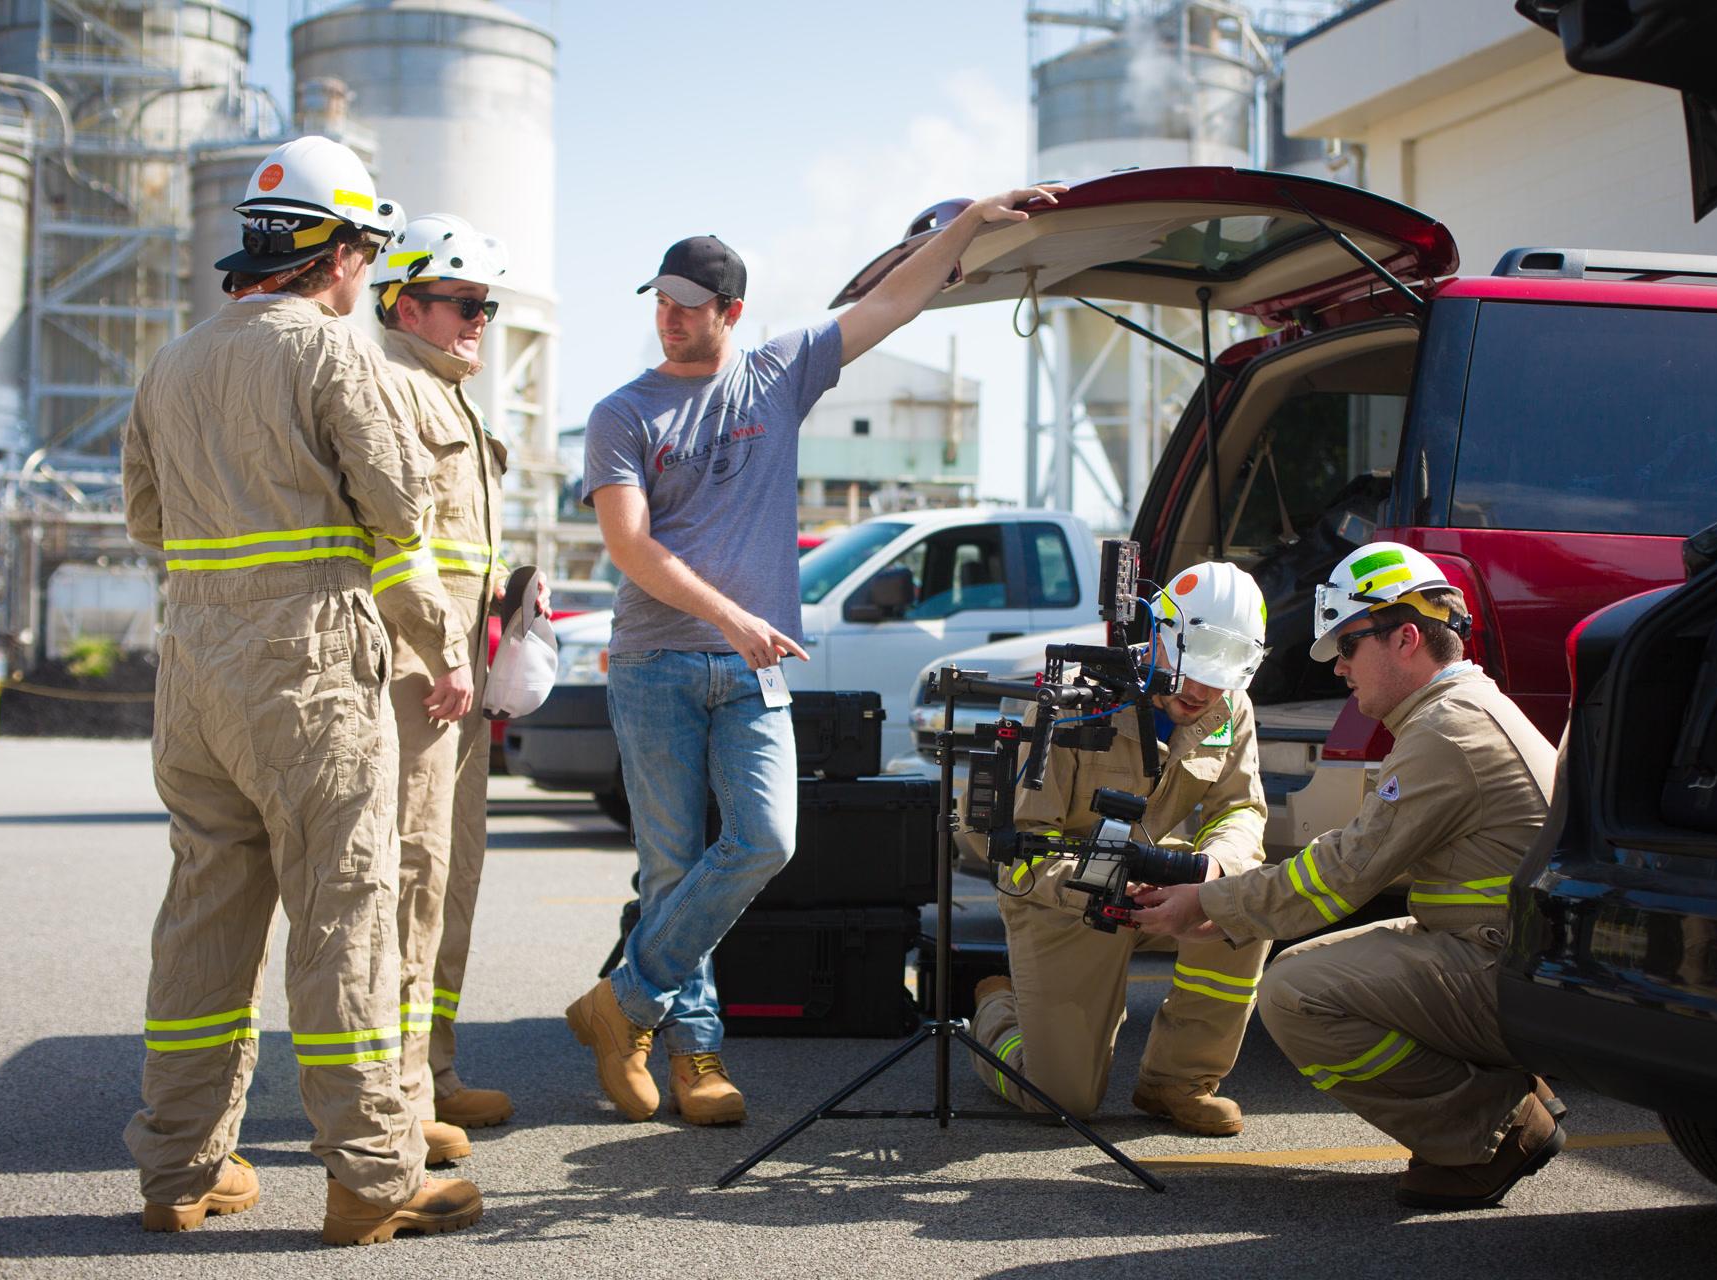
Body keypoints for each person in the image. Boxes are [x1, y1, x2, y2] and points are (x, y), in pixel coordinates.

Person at [567, 184, 1065, 1126]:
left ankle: (621, 1004)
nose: (669, 319)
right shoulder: (620, 413)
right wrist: (732, 618)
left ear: (731, 313)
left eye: (687, 304)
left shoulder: (778, 372)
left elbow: (892, 302)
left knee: (766, 840)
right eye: (659, 303)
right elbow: (630, 548)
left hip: (750, 669)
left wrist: (966, 227)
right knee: (671, 870)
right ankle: (696, 1058)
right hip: (655, 664)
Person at [119, 136, 481, 1246]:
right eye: (367, 253)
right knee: (347, 917)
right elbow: (397, 519)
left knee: (204, 922)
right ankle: (373, 1175)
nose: (367, 275)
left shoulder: (172, 363)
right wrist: (445, 647)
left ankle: (180, 1169)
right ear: (334, 253)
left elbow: (146, 520)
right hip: (313, 676)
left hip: (195, 679)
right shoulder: (335, 357)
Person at [1132, 542, 1562, 1211]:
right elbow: (1347, 855)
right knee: (1325, 964)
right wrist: (1229, 900)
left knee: (1299, 993)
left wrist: (1205, 903)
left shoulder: (1448, 732)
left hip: (1499, 967)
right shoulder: (1461, 712)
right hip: (1503, 954)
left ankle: (1489, 1131)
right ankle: (1500, 1103)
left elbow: (1339, 875)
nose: (1338, 666)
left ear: (1407, 638)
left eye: (1349, 644)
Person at [969, 562, 1272, 1134]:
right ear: (1158, 633)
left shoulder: (1228, 705)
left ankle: (1178, 1082)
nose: (1204, 689)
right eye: (1193, 669)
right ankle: (995, 1012)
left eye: (1221, 674)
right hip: (1061, 893)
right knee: (1060, 1100)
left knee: (1248, 906)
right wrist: (1103, 882)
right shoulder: (1075, 698)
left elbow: (1240, 808)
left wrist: (1213, 869)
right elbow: (1019, 849)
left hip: (1154, 873)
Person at [371, 213, 540, 1154]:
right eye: (464, 302)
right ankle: (398, 1097)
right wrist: (439, 652)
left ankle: (431, 1066)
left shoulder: (454, 398)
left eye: (487, 304)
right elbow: (391, 546)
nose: (481, 319)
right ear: (404, 302)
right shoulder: (390, 389)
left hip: (458, 681)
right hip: (414, 680)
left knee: (451, 875)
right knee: (408, 875)